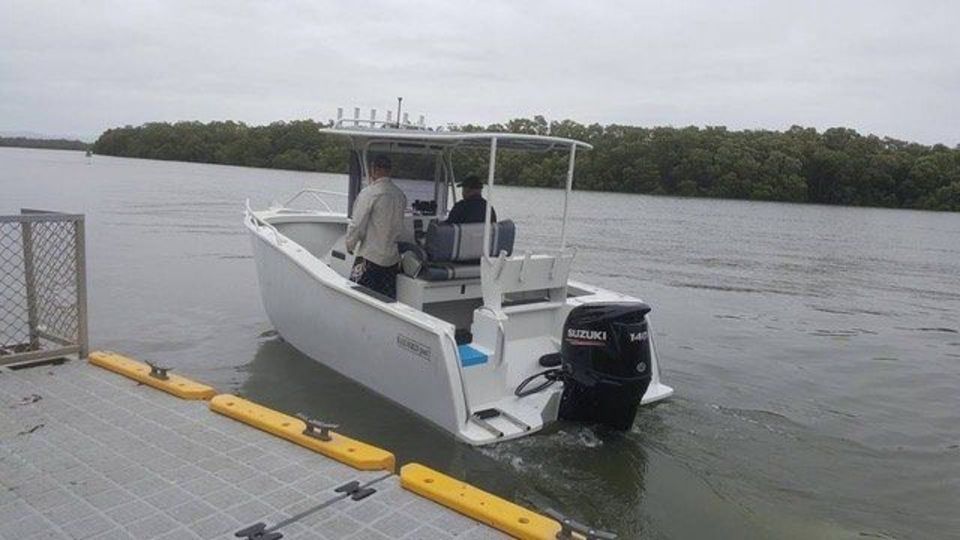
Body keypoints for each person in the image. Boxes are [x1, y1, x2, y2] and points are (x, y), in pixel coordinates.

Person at [345, 155, 407, 299]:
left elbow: (357, 224)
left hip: (370, 257)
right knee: (385, 301)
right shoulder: (400, 195)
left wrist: (350, 244)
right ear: (389, 170)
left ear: (374, 170)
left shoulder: (370, 193)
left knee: (357, 297)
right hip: (392, 260)